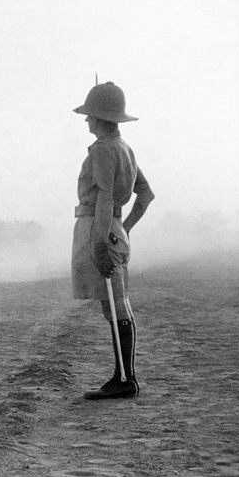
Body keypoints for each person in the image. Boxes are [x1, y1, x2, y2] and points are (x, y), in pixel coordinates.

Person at [71, 81, 155, 400]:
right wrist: (125, 229)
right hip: (113, 227)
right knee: (116, 303)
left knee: (116, 303)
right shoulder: (125, 149)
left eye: (90, 115)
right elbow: (145, 195)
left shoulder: (104, 149)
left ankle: (124, 379)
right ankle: (124, 376)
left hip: (101, 226)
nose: (86, 121)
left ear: (100, 118)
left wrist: (99, 242)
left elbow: (105, 197)